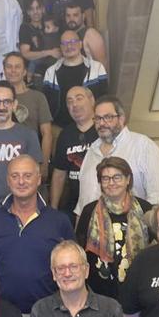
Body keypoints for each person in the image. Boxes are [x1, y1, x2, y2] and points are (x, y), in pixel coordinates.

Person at [0, 155, 74, 315]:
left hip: (50, 314)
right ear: (8, 181)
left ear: (38, 179)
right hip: (1, 315)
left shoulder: (59, 221)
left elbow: (72, 269)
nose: (21, 182)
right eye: (15, 176)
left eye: (27, 176)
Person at [76, 96, 159, 215]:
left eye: (108, 117)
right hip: (93, 229)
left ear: (121, 119)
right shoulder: (91, 151)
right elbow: (82, 203)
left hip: (132, 228)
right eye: (97, 118)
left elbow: (157, 198)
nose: (102, 123)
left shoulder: (143, 146)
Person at [75, 157, 151, 298]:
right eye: (105, 178)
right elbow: (79, 250)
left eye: (117, 177)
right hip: (98, 292)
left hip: (138, 290)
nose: (111, 183)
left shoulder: (146, 209)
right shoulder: (89, 211)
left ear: (128, 179)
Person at [0, 52, 53, 178]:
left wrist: (44, 165)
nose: (13, 70)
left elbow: (47, 134)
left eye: (17, 66)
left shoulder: (38, 97)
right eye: (9, 66)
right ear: (4, 70)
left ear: (25, 71)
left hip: (30, 160)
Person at [50, 86, 98, 223]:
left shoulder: (103, 130)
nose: (74, 104)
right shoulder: (65, 134)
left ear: (91, 100)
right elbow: (59, 173)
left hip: (99, 204)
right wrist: (53, 207)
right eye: (69, 101)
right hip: (73, 203)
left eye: (79, 98)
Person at [42, 30, 108, 128]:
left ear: (80, 44)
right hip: (60, 128)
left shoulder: (97, 68)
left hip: (92, 126)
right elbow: (46, 104)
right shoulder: (50, 72)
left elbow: (104, 99)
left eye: (72, 42)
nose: (69, 46)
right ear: (60, 47)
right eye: (64, 43)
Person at [19, 0, 61, 88]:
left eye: (38, 8)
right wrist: (49, 52)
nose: (35, 12)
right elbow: (26, 53)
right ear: (27, 12)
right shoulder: (25, 28)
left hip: (54, 72)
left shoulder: (50, 25)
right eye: (31, 9)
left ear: (42, 9)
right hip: (35, 76)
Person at [63, 2, 107, 69]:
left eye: (75, 15)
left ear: (83, 16)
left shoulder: (91, 34)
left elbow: (102, 66)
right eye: (68, 15)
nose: (71, 19)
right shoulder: (66, 35)